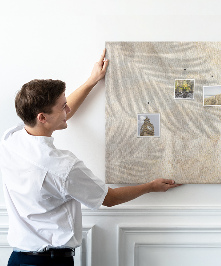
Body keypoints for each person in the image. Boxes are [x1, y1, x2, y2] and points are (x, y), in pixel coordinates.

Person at [0, 49, 180, 266]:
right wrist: (150, 186)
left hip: (17, 258)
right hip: (48, 262)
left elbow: (65, 114)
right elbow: (109, 198)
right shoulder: (62, 167)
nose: (67, 108)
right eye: (62, 106)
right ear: (43, 117)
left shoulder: (11, 139)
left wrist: (91, 81)